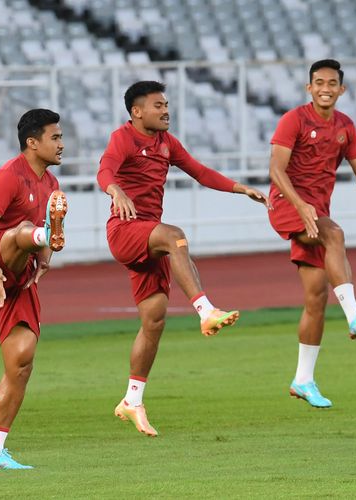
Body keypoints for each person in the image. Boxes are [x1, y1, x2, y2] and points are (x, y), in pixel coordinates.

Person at [97, 80, 269, 437]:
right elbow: (105, 171)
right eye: (158, 105)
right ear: (136, 111)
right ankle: (206, 311)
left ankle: (132, 400)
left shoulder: (166, 143)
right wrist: (115, 191)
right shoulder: (123, 138)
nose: (165, 110)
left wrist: (241, 189)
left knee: (154, 319)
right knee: (175, 236)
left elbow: (199, 171)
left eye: (166, 104)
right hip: (126, 231)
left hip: (150, 237)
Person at [268, 59, 356, 408]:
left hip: (316, 213)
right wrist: (300, 205)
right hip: (286, 204)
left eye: (332, 83)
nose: (325, 88)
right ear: (309, 88)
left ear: (342, 89)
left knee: (316, 298)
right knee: (335, 235)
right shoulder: (294, 119)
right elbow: (276, 169)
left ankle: (303, 380)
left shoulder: (345, 126)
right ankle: (354, 315)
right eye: (319, 82)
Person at [0, 108, 68, 469]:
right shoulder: (10, 175)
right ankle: (42, 234)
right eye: (55, 137)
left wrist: (44, 258)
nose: (62, 144)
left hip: (21, 275)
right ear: (33, 142)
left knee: (22, 362)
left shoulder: (51, 185)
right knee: (21, 230)